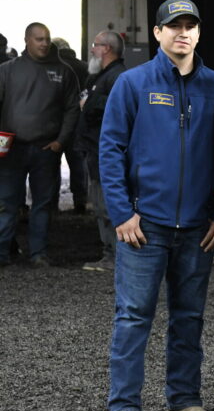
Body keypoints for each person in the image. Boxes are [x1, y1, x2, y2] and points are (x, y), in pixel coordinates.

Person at [101, 0, 214, 411]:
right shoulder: (132, 83)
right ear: (157, 33)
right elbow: (110, 150)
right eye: (173, 25)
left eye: (190, 25)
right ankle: (124, 406)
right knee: (133, 316)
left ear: (199, 33)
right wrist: (122, 212)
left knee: (189, 317)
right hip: (144, 227)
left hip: (198, 227)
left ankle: (184, 399)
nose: (183, 32)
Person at [0, 22, 80, 267]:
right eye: (39, 39)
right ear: (27, 40)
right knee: (6, 203)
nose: (44, 43)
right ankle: (2, 253)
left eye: (46, 39)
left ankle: (38, 253)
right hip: (12, 149)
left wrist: (60, 141)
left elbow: (72, 109)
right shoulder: (7, 71)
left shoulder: (64, 72)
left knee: (43, 204)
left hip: (46, 150)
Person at [78, 31, 127, 271]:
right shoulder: (103, 76)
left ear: (106, 48)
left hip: (105, 154)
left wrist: (90, 104)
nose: (92, 50)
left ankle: (115, 256)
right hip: (96, 152)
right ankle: (110, 254)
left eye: (95, 45)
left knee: (107, 207)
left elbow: (122, 106)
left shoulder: (118, 77)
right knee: (100, 206)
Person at [53, 36, 90, 213]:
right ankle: (80, 200)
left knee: (52, 163)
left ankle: (52, 202)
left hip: (54, 124)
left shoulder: (53, 68)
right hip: (78, 123)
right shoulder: (85, 67)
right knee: (77, 163)